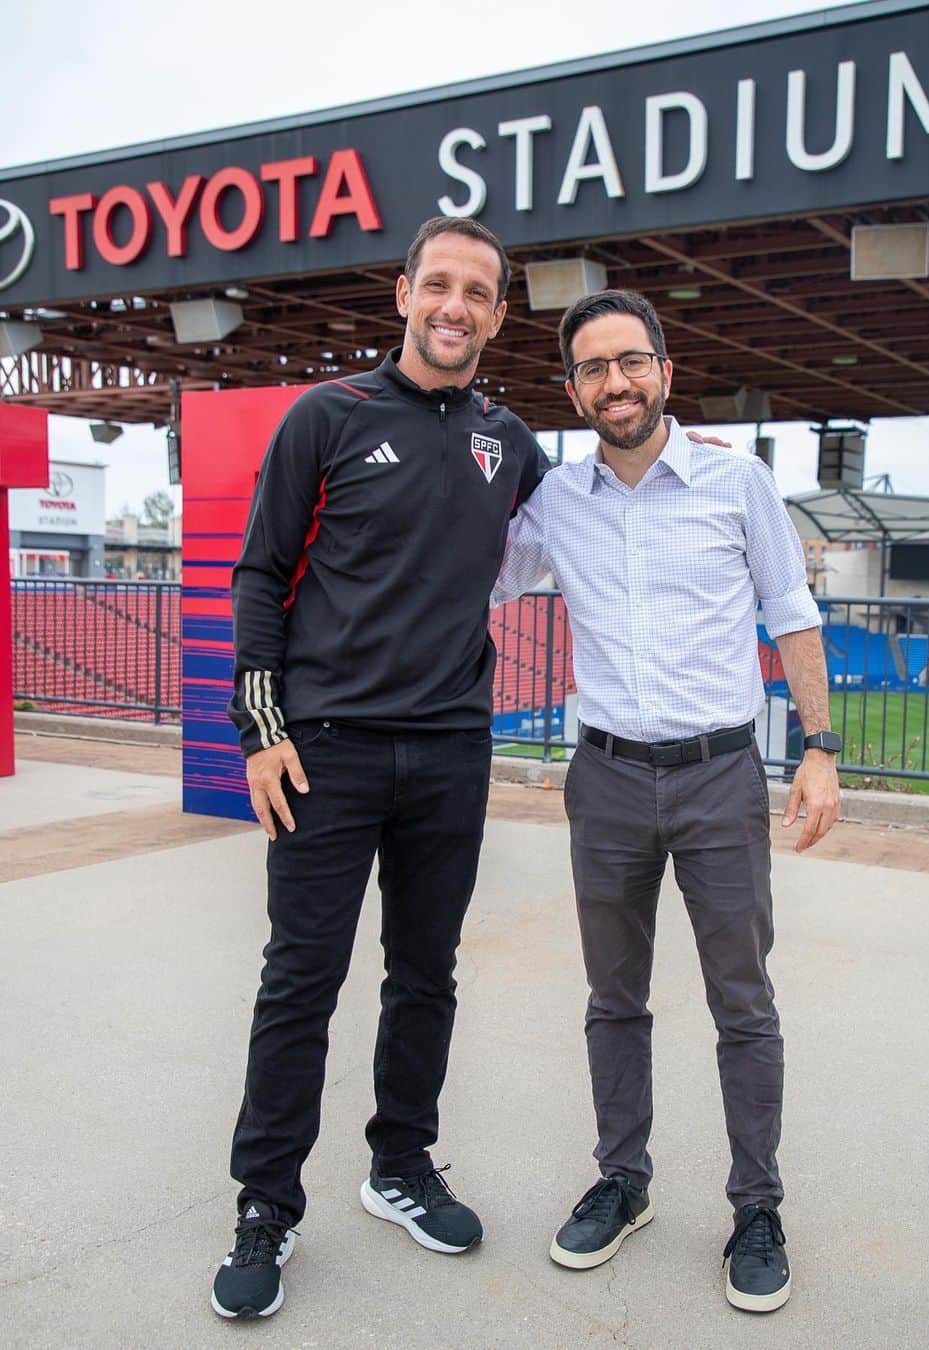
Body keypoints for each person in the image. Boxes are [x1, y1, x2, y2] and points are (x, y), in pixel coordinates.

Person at [211, 217, 551, 1320]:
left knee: (425, 976)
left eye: (478, 293)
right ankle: (266, 1206)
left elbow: (593, 532)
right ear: (402, 293)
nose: (455, 306)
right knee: (299, 982)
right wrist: (261, 729)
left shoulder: (513, 441)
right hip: (328, 754)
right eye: (438, 284)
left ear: (499, 315)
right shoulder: (329, 416)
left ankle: (400, 1164)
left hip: (452, 751)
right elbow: (258, 576)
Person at [492, 290, 841, 1313]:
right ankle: (624, 1182)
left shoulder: (740, 486)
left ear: (665, 373)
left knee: (743, 1002)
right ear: (572, 391)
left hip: (718, 776)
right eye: (595, 369)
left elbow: (793, 613)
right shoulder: (556, 501)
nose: (617, 382)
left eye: (632, 361)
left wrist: (819, 747)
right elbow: (475, 582)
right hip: (603, 778)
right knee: (615, 999)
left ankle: (758, 1208)